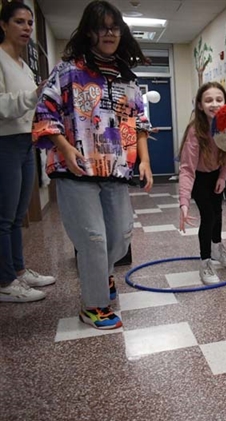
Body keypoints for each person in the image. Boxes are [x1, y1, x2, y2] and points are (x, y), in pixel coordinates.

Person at [32, 0, 153, 329]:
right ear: (90, 32)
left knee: (120, 236)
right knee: (93, 239)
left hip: (115, 171)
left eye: (114, 27)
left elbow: (137, 123)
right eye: (102, 28)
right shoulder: (68, 70)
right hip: (76, 171)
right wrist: (64, 147)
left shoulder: (127, 78)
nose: (109, 33)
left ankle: (102, 276)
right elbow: (45, 113)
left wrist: (143, 160)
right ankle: (94, 305)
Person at [0, 2, 55, 303]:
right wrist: (33, 95)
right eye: (19, 22)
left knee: (19, 214)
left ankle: (19, 271)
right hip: (4, 142)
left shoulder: (24, 65)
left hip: (25, 141)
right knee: (5, 217)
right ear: (4, 25)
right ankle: (6, 281)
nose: (26, 28)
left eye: (30, 23)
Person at [178, 82, 226, 285]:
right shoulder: (195, 131)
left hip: (215, 175)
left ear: (225, 103)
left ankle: (217, 247)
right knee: (208, 215)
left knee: (217, 212)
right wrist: (184, 202)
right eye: (209, 100)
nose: (214, 104)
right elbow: (186, 169)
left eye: (219, 99)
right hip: (198, 178)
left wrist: (222, 178)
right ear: (200, 105)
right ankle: (205, 262)